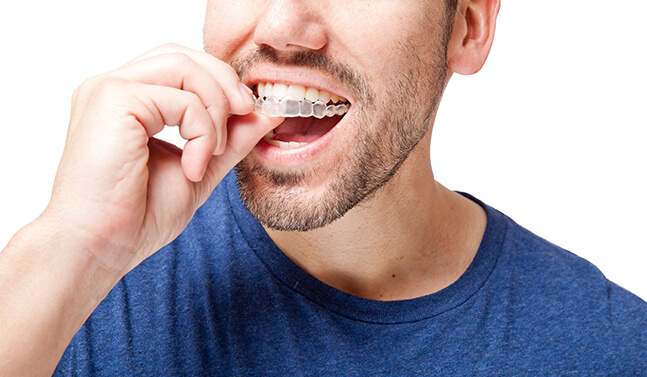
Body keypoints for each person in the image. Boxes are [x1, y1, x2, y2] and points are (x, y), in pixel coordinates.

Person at [1, 0, 645, 375]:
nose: (281, 23)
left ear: (468, 28)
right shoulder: (77, 298)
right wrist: (74, 244)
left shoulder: (614, 348)